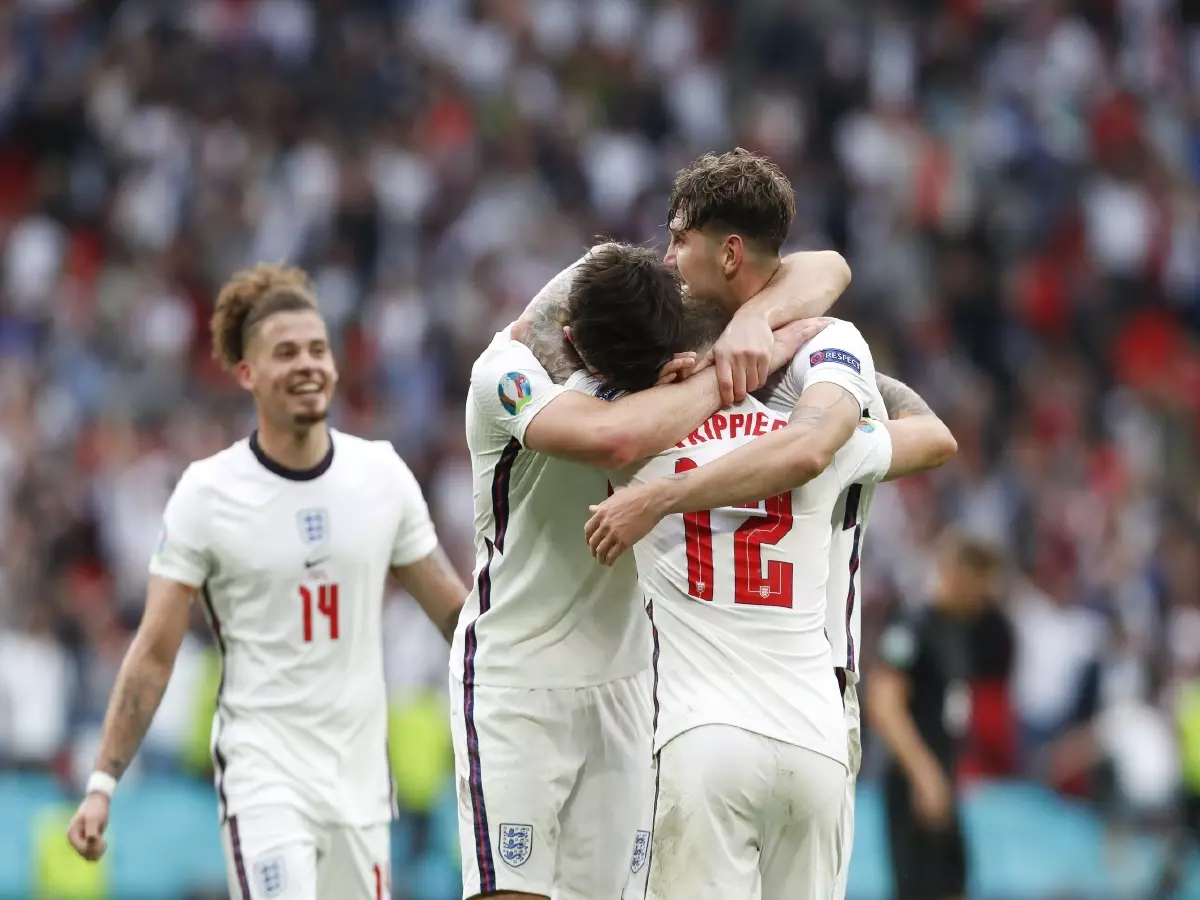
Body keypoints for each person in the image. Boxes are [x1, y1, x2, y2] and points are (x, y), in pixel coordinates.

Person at [454, 240, 849, 900]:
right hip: (517, 681)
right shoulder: (508, 368)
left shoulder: (661, 344)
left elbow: (828, 267)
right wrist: (732, 372)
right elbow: (616, 437)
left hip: (631, 685)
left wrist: (756, 320)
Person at [65, 264, 469, 900]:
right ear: (247, 373)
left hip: (360, 786)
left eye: (318, 349)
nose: (308, 364)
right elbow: (154, 651)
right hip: (263, 779)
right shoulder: (208, 492)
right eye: (286, 353)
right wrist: (103, 783)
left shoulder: (382, 475)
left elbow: (454, 615)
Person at [585, 147, 902, 899]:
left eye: (678, 240)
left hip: (702, 733)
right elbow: (836, 441)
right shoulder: (832, 347)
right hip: (815, 731)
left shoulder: (647, 395)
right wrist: (764, 323)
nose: (665, 259)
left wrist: (658, 495)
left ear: (728, 251)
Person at [571, 301, 956, 899]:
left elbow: (578, 362)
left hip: (704, 732)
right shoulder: (822, 442)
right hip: (815, 735)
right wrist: (850, 374)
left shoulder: (644, 445)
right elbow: (934, 437)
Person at [869, 531, 1003, 900]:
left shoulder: (957, 627)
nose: (986, 595)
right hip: (914, 784)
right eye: (982, 582)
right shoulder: (913, 623)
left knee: (953, 883)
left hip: (942, 781)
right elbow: (883, 702)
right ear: (960, 574)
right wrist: (923, 772)